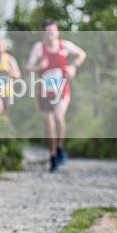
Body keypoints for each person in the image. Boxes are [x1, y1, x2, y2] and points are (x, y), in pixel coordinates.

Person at [25, 20, 86, 172]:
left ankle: (59, 146)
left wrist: (73, 67)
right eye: (47, 31)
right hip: (45, 92)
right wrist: (39, 66)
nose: (50, 33)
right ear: (44, 33)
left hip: (61, 89)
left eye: (53, 30)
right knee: (49, 124)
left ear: (57, 31)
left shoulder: (64, 46)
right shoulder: (39, 48)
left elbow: (82, 54)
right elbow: (28, 67)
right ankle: (52, 156)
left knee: (59, 118)